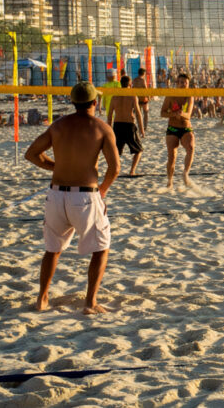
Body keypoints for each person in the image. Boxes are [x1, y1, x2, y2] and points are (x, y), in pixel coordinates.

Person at [25, 82, 119, 314]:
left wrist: (57, 167)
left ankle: (42, 299)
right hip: (85, 197)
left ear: (72, 102)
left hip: (56, 195)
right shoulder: (101, 128)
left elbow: (31, 154)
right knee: (101, 248)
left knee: (52, 249)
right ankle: (90, 302)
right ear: (95, 102)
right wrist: (103, 190)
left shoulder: (58, 126)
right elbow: (114, 168)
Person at [160, 73, 195, 189]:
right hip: (172, 128)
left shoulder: (190, 96)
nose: (183, 84)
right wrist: (173, 114)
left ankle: (185, 174)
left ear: (188, 84)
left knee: (190, 148)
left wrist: (181, 114)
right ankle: (170, 181)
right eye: (181, 82)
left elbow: (188, 114)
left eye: (185, 83)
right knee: (172, 156)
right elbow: (162, 113)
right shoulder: (171, 95)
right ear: (177, 83)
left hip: (185, 127)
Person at [106, 75, 145, 176]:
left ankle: (115, 171)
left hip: (117, 125)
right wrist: (142, 129)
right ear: (130, 84)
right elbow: (138, 113)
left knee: (116, 152)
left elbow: (110, 114)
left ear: (120, 83)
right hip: (129, 126)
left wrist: (109, 129)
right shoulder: (132, 95)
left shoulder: (115, 96)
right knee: (139, 150)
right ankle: (132, 171)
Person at [132, 68, 150, 134]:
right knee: (145, 113)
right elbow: (145, 89)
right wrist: (148, 96)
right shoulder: (143, 80)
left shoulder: (134, 80)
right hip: (143, 98)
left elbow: (132, 88)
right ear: (144, 73)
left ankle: (140, 127)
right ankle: (145, 126)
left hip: (137, 98)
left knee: (138, 114)